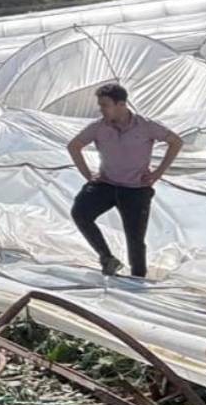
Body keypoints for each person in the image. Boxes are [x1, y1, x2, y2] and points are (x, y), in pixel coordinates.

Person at [67, 83, 184, 278]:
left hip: (135, 188)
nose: (101, 109)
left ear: (121, 104)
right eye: (100, 105)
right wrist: (88, 176)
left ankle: (138, 279)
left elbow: (176, 141)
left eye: (105, 105)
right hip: (106, 183)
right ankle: (106, 257)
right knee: (80, 213)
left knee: (135, 239)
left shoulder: (145, 126)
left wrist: (157, 173)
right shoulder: (99, 127)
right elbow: (74, 145)